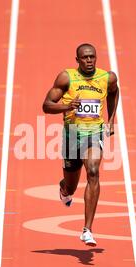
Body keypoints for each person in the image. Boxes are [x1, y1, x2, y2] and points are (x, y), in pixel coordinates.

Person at [42, 43, 119, 247]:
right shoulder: (66, 78)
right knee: (71, 185)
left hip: (94, 133)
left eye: (92, 57)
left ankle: (87, 229)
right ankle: (64, 189)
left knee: (93, 171)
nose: (89, 60)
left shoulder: (107, 77)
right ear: (77, 60)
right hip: (72, 134)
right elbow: (46, 106)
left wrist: (111, 120)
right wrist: (68, 106)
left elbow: (114, 92)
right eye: (84, 58)